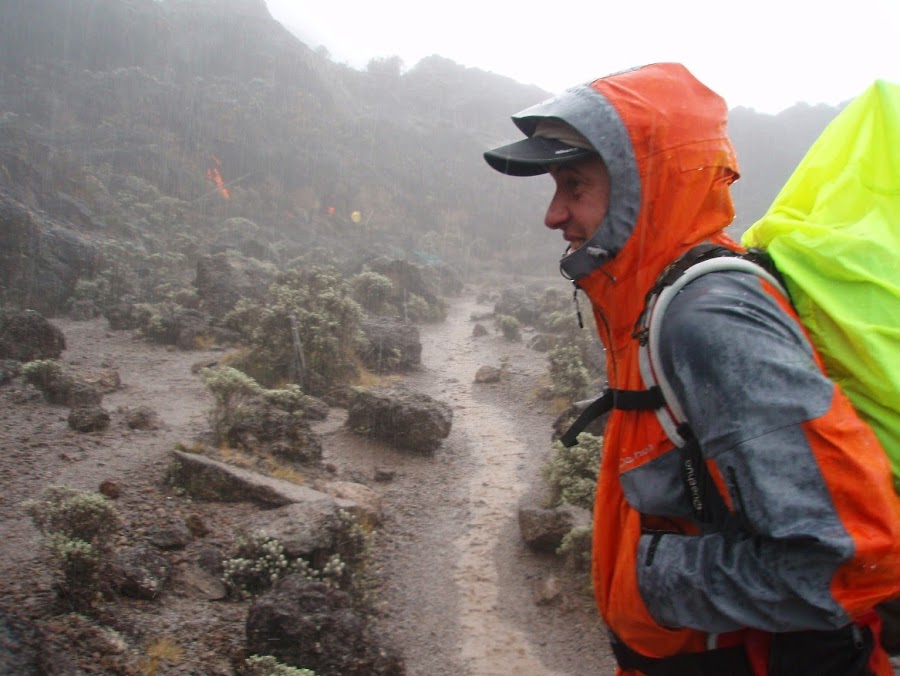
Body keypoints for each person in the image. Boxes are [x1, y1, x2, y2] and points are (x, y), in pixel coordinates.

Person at [483, 62, 900, 675]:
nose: (553, 214)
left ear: (639, 188)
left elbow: (848, 557)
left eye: (574, 186)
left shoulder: (708, 318)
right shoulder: (645, 303)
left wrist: (647, 577)